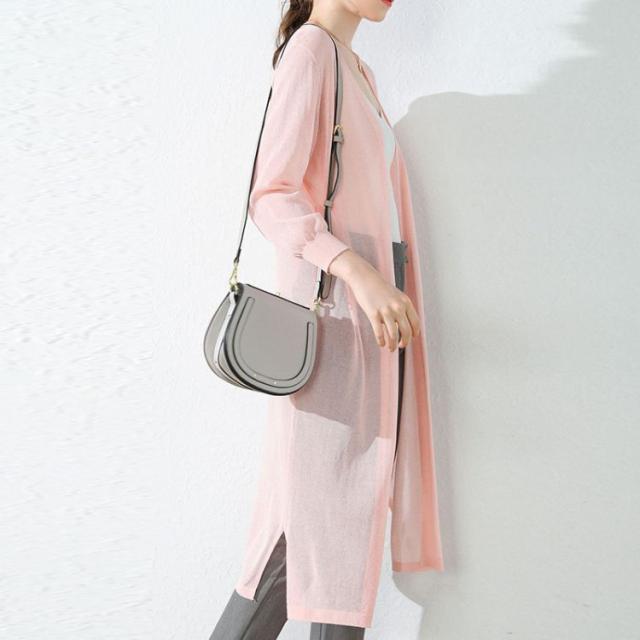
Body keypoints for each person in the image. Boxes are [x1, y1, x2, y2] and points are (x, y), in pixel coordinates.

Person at [209, 1, 444, 638]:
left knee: (326, 534)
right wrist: (361, 273)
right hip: (336, 325)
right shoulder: (311, 53)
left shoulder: (355, 69)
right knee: (313, 532)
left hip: (369, 331)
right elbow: (273, 194)